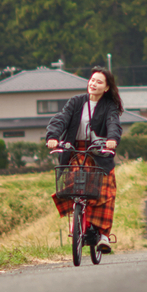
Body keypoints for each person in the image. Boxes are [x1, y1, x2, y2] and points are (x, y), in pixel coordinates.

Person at [46, 66, 124, 254]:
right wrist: (53, 136)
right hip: (76, 151)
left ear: (106, 88)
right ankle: (80, 219)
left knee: (106, 192)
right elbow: (61, 119)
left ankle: (104, 236)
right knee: (75, 187)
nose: (93, 84)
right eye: (92, 80)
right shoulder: (76, 102)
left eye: (99, 82)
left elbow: (113, 123)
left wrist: (112, 139)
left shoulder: (109, 106)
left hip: (100, 153)